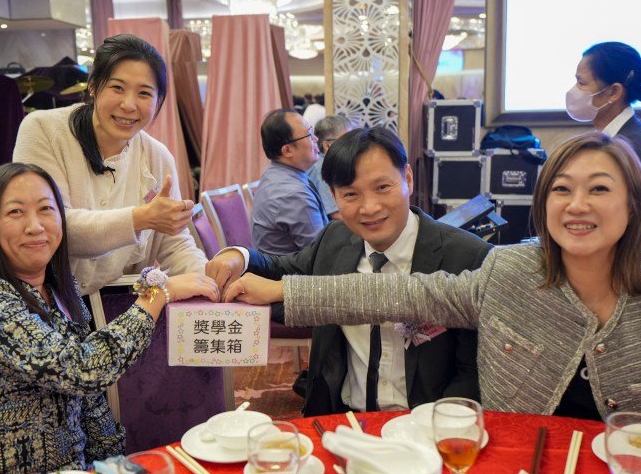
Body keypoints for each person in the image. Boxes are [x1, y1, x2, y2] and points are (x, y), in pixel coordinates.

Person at [226, 132, 641, 431]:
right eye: (561, 190)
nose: (577, 205)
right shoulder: (510, 272)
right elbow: (400, 292)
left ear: (635, 203)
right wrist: (278, 288)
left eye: (599, 189)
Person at [0, 163, 218, 474]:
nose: (35, 226)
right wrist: (157, 294)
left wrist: (119, 473)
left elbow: (91, 403)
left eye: (46, 209)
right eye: (16, 212)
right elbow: (83, 370)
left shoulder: (59, 289)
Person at [209, 127, 491, 415]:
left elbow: (474, 372)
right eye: (351, 194)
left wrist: (436, 426)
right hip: (343, 418)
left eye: (382, 187)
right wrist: (238, 256)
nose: (369, 208)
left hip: (427, 423)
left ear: (407, 178)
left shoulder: (468, 257)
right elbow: (280, 267)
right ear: (333, 196)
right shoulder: (334, 240)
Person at [13, 34, 205, 319]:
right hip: (47, 309)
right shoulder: (43, 131)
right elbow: (50, 227)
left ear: (158, 101)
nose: (129, 105)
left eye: (144, 94)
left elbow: (174, 243)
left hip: (121, 308)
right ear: (93, 86)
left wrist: (208, 278)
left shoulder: (158, 157)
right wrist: (141, 218)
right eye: (117, 88)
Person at [566, 42, 641, 245]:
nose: (574, 91)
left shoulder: (629, 145)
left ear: (613, 92)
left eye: (582, 83)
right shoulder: (619, 136)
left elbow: (620, 222)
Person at [250, 108, 329, 254]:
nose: (316, 139)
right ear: (287, 151)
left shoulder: (275, 172)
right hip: (294, 269)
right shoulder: (293, 194)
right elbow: (321, 255)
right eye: (309, 135)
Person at [309, 114, 361, 220]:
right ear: (327, 145)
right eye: (347, 140)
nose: (354, 145)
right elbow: (335, 214)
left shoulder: (336, 163)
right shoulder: (322, 168)